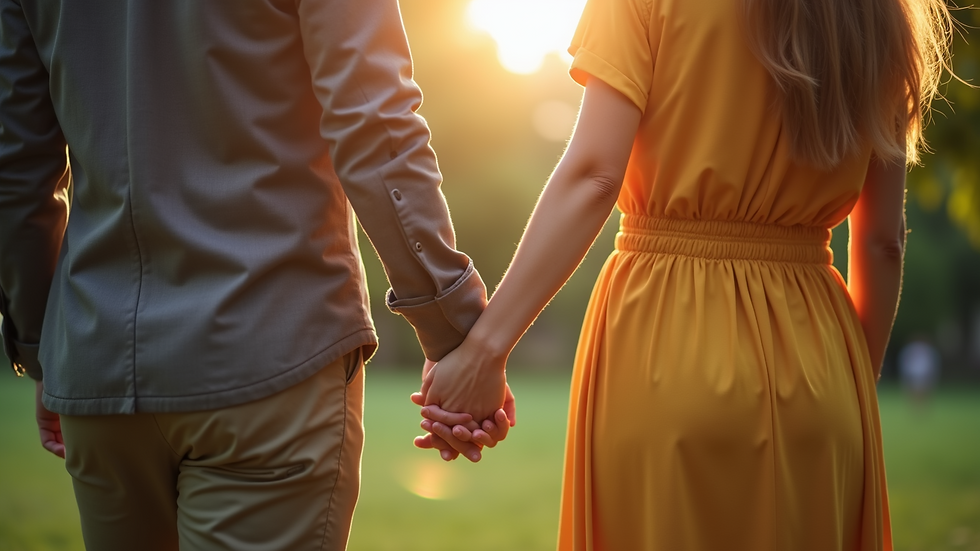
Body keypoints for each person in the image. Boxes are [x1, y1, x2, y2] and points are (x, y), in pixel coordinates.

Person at [414, 0, 952, 548]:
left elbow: (596, 176)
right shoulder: (884, 15)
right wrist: (849, 387)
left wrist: (485, 351)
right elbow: (884, 242)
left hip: (663, 341)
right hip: (822, 370)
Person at [0, 1, 509, 549]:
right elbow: (373, 122)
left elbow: (15, 166)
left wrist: (44, 345)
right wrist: (455, 334)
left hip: (99, 370)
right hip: (271, 361)